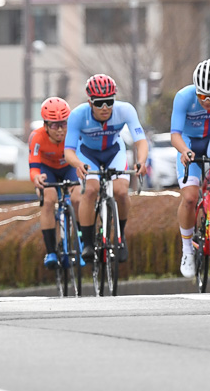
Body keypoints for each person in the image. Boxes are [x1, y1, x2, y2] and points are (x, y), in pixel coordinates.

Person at [63, 75, 148, 262]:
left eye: (109, 102)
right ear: (89, 102)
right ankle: (87, 243)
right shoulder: (77, 115)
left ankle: (120, 235)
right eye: (99, 103)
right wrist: (78, 164)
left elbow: (141, 141)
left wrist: (141, 161)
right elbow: (68, 151)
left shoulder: (125, 110)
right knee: (90, 190)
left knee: (121, 191)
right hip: (87, 154)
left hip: (113, 152)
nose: (105, 108)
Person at [170, 59, 210, 278]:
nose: (207, 101)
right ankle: (187, 250)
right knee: (189, 198)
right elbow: (175, 134)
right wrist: (184, 151)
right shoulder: (184, 97)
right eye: (202, 95)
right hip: (189, 143)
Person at [29, 97, 79, 269]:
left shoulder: (74, 133)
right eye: (54, 125)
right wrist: (36, 178)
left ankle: (79, 240)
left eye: (63, 124)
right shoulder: (37, 137)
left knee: (79, 197)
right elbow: (34, 166)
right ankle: (51, 251)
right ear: (45, 126)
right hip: (47, 170)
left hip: (68, 168)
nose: (60, 130)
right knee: (49, 201)